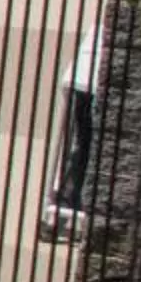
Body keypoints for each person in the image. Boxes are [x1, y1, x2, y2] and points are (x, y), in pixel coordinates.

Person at [40, 21, 105, 242]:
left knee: (84, 145)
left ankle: (65, 206)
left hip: (86, 78)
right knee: (85, 144)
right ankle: (65, 206)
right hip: (88, 79)